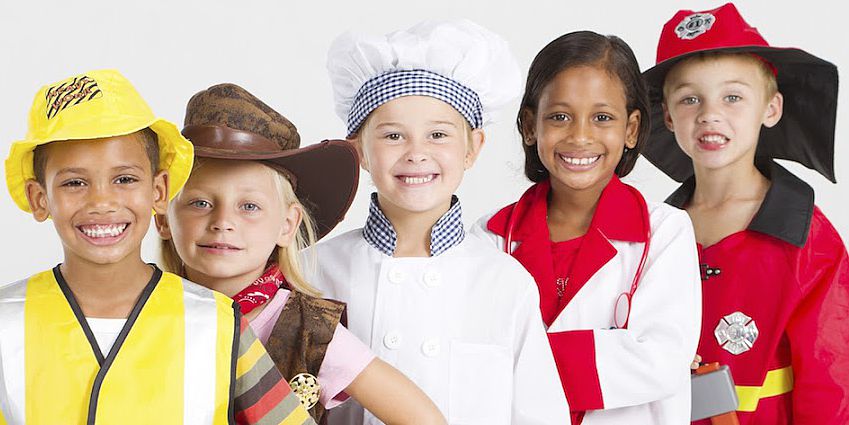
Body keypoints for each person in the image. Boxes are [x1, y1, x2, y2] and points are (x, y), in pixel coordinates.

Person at [0, 69, 314, 424]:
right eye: (74, 182)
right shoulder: (5, 320)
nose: (102, 201)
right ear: (39, 198)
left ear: (159, 191)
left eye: (124, 179)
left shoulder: (219, 324)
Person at [307, 19, 571, 425]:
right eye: (393, 136)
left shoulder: (504, 280)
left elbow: (539, 415)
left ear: (472, 147)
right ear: (358, 148)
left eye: (438, 135)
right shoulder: (316, 271)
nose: (416, 153)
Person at [156, 83, 446, 424]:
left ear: (287, 224)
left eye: (249, 206)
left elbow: (423, 419)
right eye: (200, 203)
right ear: (162, 218)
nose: (223, 222)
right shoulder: (140, 310)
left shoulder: (309, 330)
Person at [471, 31, 702, 424]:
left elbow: (661, 362)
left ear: (630, 130)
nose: (580, 136)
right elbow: (474, 366)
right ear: (530, 126)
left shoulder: (665, 233)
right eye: (560, 116)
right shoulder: (488, 237)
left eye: (602, 118)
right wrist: (611, 353)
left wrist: (518, 361)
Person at [642, 3, 849, 424]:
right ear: (666, 117)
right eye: (689, 99)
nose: (709, 114)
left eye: (732, 96)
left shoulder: (809, 242)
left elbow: (832, 385)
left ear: (770, 109)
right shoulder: (650, 232)